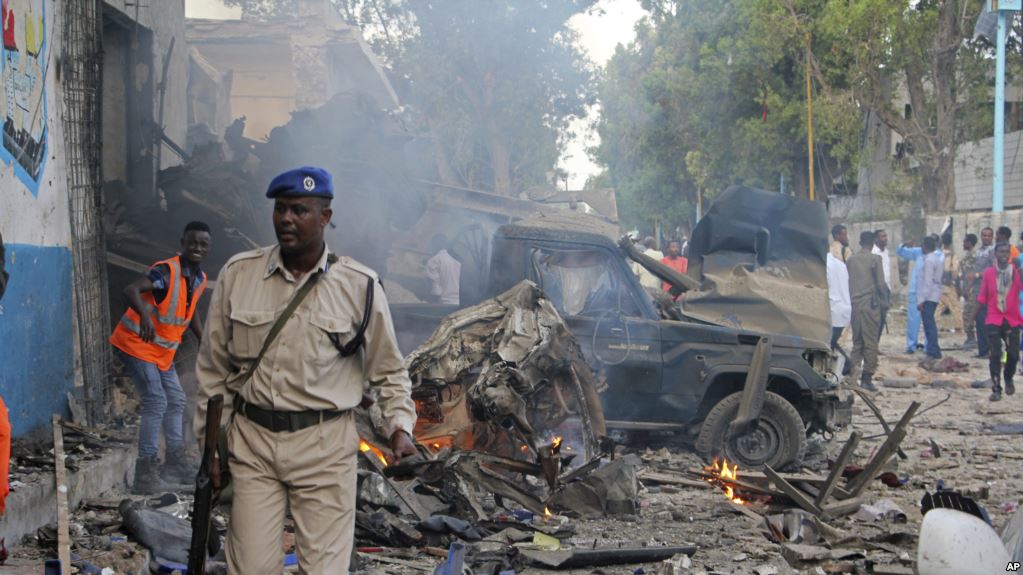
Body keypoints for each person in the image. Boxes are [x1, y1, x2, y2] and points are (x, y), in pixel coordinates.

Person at [195, 166, 418, 574]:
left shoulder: (360, 286)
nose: (286, 219)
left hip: (325, 446)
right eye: (280, 209)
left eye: (299, 210)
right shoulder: (238, 274)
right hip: (253, 445)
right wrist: (211, 446)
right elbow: (213, 371)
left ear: (325, 217)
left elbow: (389, 371)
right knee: (250, 569)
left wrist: (399, 428)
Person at [109, 221, 211, 493]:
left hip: (161, 352)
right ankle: (146, 470)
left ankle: (174, 462)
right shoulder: (166, 271)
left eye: (203, 244)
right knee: (156, 400)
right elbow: (131, 290)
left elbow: (192, 311)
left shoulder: (199, 278)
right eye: (193, 243)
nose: (197, 248)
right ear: (182, 243)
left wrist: (204, 339)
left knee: (176, 399)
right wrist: (144, 315)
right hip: (135, 344)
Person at [976, 242, 1023, 401]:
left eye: (1006, 251)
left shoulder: (1016, 272)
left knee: (1013, 354)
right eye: (1000, 251)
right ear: (995, 254)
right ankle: (996, 388)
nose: (1003, 254)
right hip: (994, 318)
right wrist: (971, 319)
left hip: (1012, 319)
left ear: (1009, 253)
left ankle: (1008, 377)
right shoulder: (988, 273)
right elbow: (982, 296)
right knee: (995, 354)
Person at [846, 231, 890, 391]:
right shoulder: (875, 259)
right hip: (871, 306)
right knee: (871, 342)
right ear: (872, 243)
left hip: (854, 305)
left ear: (859, 242)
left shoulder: (850, 260)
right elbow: (880, 284)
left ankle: (852, 377)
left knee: (857, 342)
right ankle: (867, 377)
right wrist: (885, 303)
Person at [917, 236, 944, 359]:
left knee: (929, 325)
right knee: (930, 323)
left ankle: (933, 350)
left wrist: (921, 300)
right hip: (934, 294)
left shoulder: (929, 260)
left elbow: (927, 282)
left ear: (925, 246)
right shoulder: (937, 259)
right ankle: (934, 349)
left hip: (929, 296)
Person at [975, 227, 996, 357]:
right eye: (984, 235)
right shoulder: (979, 251)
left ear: (992, 237)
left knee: (987, 321)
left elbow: (992, 269)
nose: (986, 238)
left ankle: (988, 350)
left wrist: (977, 275)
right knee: (979, 320)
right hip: (978, 290)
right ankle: (982, 350)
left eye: (988, 236)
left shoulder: (993, 251)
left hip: (988, 291)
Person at [425, 234, 461, 305]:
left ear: (435, 245)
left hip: (442, 304)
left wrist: (431, 304)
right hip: (456, 303)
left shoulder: (433, 261)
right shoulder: (457, 263)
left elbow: (436, 291)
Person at [827, 250, 851, 351]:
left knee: (828, 344)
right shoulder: (841, 265)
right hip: (844, 310)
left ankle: (848, 364)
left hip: (833, 311)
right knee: (832, 343)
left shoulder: (824, 265)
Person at [939, 234, 963, 331]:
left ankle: (936, 324)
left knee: (938, 306)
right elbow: (954, 272)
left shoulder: (938, 255)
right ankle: (958, 326)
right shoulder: (953, 256)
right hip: (950, 285)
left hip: (939, 285)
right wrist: (958, 288)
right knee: (955, 306)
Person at [959, 233, 980, 346]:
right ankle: (971, 338)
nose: (963, 243)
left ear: (970, 243)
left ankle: (972, 338)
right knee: (968, 313)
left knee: (968, 314)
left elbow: (973, 273)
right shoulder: (968, 255)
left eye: (965, 241)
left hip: (972, 289)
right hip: (968, 288)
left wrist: (968, 287)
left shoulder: (974, 256)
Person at [872, 229, 892, 333]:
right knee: (876, 319)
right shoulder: (873, 253)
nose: (885, 238)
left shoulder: (886, 252)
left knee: (883, 318)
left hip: (886, 288)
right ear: (876, 239)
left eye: (886, 236)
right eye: (882, 236)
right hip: (877, 289)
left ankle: (875, 344)